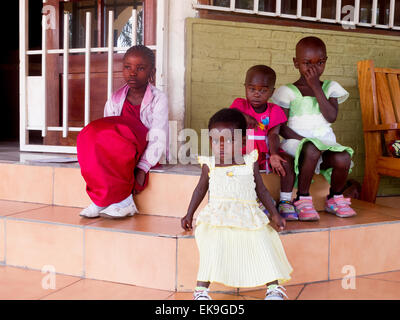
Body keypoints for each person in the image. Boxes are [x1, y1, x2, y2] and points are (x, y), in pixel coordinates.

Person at [181, 108, 293, 300]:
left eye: (229, 140)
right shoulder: (210, 164)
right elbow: (200, 190)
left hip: (248, 216)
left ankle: (273, 289)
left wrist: (275, 214)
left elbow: (262, 191)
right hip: (217, 217)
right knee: (212, 244)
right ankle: (201, 291)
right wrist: (189, 214)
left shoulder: (250, 162)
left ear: (242, 141)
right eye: (216, 141)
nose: (221, 146)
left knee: (264, 240)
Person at [78, 45, 168, 219]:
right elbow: (105, 132)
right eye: (128, 67)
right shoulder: (115, 98)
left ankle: (125, 202)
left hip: (144, 151)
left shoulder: (159, 99)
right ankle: (102, 200)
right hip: (120, 151)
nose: (132, 73)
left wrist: (142, 168)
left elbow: (158, 137)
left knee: (119, 136)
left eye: (140, 68)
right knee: (89, 135)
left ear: (152, 72)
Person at [271, 36, 356, 221]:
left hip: (325, 145)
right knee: (311, 148)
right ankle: (302, 198)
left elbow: (331, 116)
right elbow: (281, 128)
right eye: (307, 62)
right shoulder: (287, 91)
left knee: (343, 156)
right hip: (296, 145)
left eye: (319, 62)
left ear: (326, 61)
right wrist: (304, 142)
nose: (313, 68)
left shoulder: (330, 87)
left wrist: (316, 88)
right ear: (296, 63)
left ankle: (335, 197)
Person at [230, 65, 297, 220]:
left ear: (272, 92)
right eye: (252, 89)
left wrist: (274, 154)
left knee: (287, 162)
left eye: (263, 90)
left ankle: (285, 201)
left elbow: (274, 135)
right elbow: (231, 115)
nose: (257, 94)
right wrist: (245, 117)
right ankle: (255, 199)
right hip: (246, 151)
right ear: (245, 88)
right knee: (241, 164)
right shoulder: (240, 104)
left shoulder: (274, 110)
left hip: (266, 151)